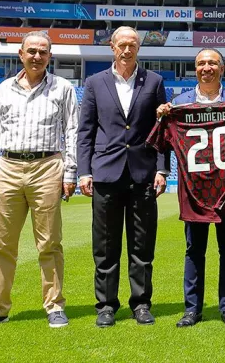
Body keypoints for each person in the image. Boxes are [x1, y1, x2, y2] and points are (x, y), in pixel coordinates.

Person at [0, 31, 78, 329]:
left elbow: (72, 132)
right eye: (31, 51)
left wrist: (70, 173)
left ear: (50, 56)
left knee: (49, 243)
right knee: (2, 243)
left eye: (43, 52)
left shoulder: (63, 88)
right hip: (7, 166)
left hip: (47, 166)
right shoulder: (4, 89)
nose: (37, 56)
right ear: (21, 54)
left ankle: (54, 306)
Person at [159, 48, 225, 329]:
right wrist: (162, 116)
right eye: (201, 63)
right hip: (194, 190)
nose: (207, 68)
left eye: (212, 63)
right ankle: (193, 309)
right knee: (194, 249)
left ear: (222, 69)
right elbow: (165, 142)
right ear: (195, 68)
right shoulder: (178, 104)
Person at [77, 26, 169, 328]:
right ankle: (106, 305)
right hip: (105, 173)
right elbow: (86, 131)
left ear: (138, 48)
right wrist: (84, 171)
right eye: (121, 45)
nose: (126, 50)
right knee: (105, 245)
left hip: (142, 174)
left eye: (132, 45)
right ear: (112, 47)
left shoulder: (154, 82)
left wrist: (161, 169)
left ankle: (141, 303)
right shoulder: (94, 83)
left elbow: (161, 131)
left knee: (142, 245)